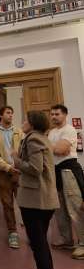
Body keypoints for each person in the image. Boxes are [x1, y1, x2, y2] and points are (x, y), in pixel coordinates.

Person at [13, 110, 59, 269]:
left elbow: (35, 168)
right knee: (41, 244)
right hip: (45, 199)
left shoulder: (33, 139)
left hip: (35, 200)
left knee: (38, 245)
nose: (23, 122)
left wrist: (16, 160)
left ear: (32, 123)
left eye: (25, 119)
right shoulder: (43, 138)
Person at [48, 104, 84, 260]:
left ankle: (83, 244)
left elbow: (61, 150)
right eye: (52, 114)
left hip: (68, 172)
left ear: (65, 115)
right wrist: (52, 146)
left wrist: (48, 146)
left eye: (57, 114)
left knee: (75, 208)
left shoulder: (69, 130)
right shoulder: (52, 132)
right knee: (60, 209)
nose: (54, 116)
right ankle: (67, 239)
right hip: (55, 173)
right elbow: (52, 150)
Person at [0, 106, 23, 248]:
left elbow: (23, 149)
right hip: (2, 171)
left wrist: (19, 165)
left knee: (23, 201)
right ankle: (12, 232)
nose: (11, 115)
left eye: (12, 113)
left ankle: (31, 232)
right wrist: (7, 167)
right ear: (1, 115)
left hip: (19, 171)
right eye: (8, 113)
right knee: (7, 203)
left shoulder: (18, 131)